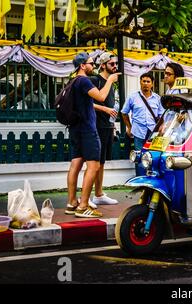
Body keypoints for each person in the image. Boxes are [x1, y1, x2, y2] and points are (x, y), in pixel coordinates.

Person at [64, 52, 120, 218]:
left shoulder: (72, 81)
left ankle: (72, 202)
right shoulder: (83, 81)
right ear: (82, 65)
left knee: (75, 164)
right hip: (87, 129)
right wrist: (110, 80)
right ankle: (83, 206)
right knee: (94, 166)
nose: (93, 66)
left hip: (75, 128)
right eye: (91, 63)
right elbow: (101, 96)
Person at [89, 52, 119, 206]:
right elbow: (87, 103)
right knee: (94, 162)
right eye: (111, 64)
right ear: (103, 65)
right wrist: (105, 110)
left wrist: (112, 123)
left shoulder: (111, 83)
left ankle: (99, 194)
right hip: (96, 126)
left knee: (102, 163)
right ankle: (87, 196)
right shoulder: (95, 80)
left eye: (116, 64)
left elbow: (111, 105)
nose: (115, 67)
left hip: (107, 126)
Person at [121, 72, 164, 151]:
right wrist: (129, 127)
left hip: (153, 132)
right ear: (140, 82)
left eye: (148, 82)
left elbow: (162, 115)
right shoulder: (132, 97)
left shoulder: (157, 98)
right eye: (143, 81)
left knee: (152, 157)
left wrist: (161, 128)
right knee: (139, 157)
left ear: (152, 84)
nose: (146, 83)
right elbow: (124, 113)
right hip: (138, 131)